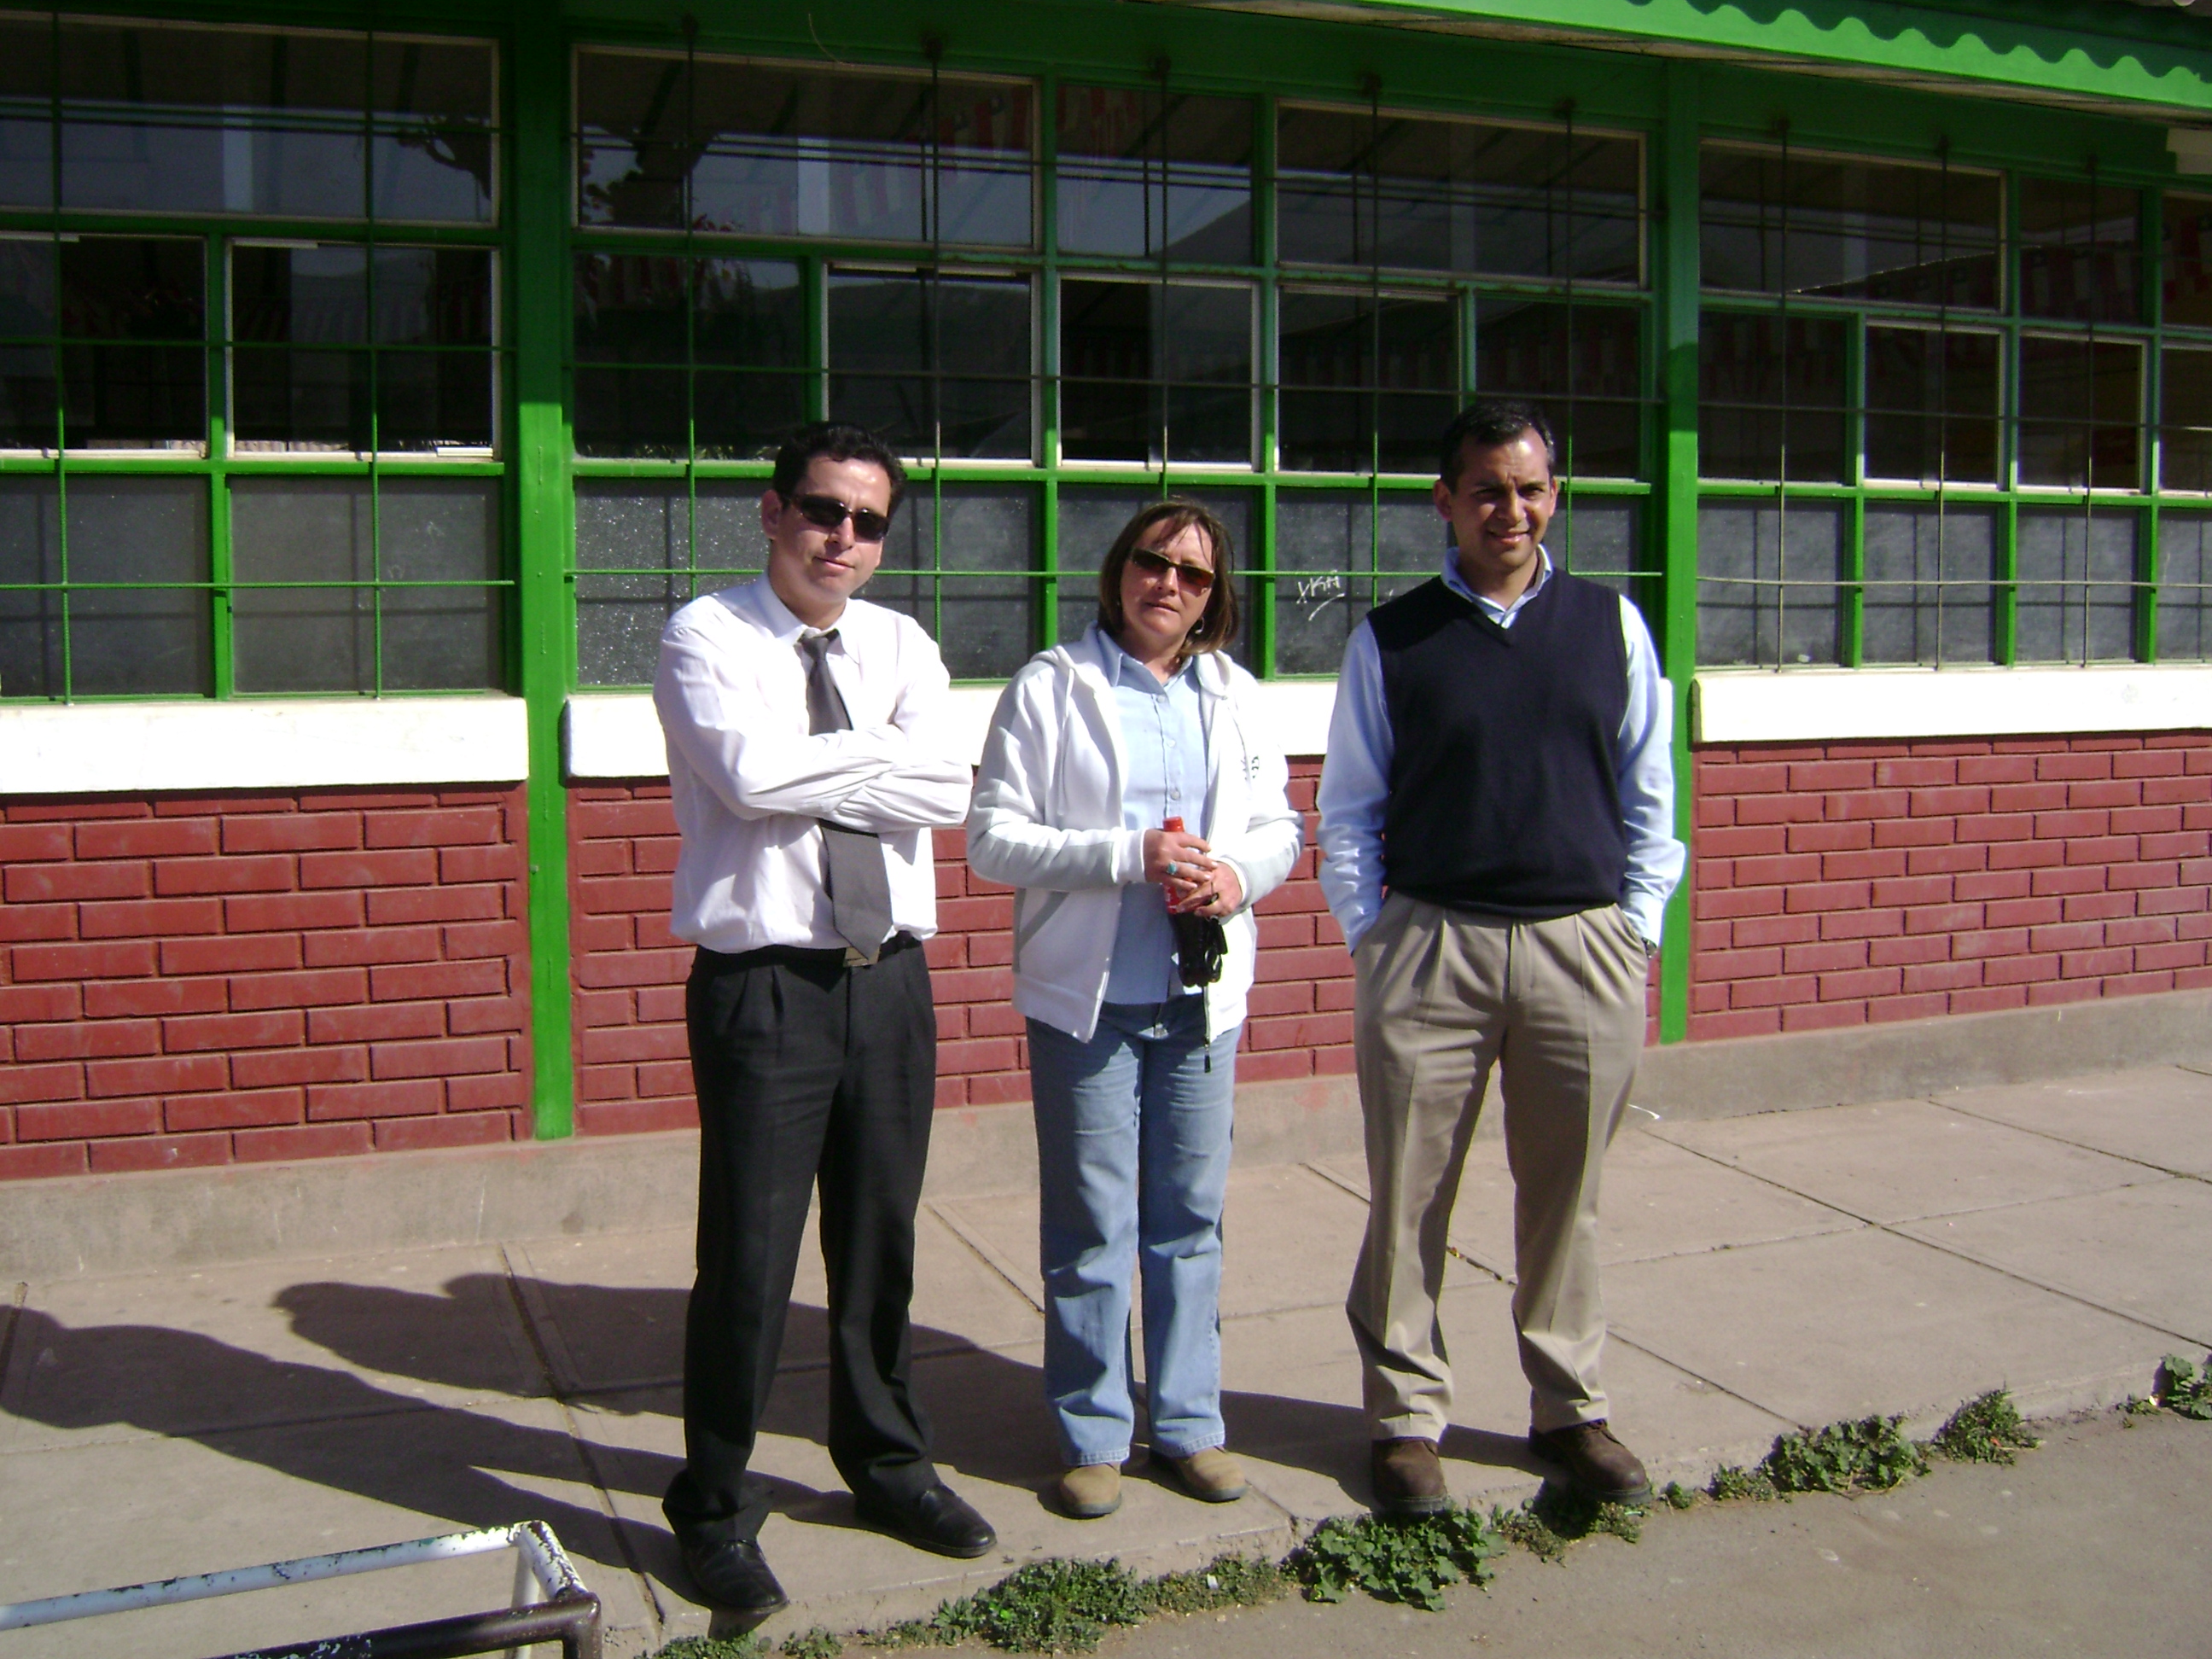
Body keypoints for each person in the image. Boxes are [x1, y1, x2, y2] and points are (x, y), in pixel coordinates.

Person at [1317, 399, 1686, 1516]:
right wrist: (1375, 938)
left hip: (1584, 948)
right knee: (1408, 1196)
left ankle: (1570, 1409)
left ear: (1554, 496)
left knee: (1567, 1196)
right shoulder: (1392, 639)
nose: (1509, 510)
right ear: (1447, 501)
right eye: (1486, 490)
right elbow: (1349, 809)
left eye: (1529, 489)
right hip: (1432, 946)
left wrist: (1635, 927)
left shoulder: (1613, 627)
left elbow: (1651, 795)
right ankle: (1403, 1420)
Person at [654, 422, 995, 1616]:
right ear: (773, 511)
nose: (842, 537)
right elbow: (748, 779)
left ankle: (888, 1465)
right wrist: (882, 756)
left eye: (868, 521)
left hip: (888, 980)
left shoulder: (904, 642)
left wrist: (828, 761)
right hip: (766, 989)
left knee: (879, 1240)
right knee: (749, 1260)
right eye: (821, 510)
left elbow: (948, 789)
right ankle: (714, 1507)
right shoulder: (706, 634)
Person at [967, 499, 1303, 1521]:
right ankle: (1094, 1433)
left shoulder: (1236, 696)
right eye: (1154, 562)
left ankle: (1191, 1424)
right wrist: (1130, 855)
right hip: (1090, 1002)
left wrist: (1236, 878)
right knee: (1091, 1223)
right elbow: (992, 841)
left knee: (1189, 1221)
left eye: (1194, 575)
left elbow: (1280, 827)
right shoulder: (1051, 687)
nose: (1169, 584)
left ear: (1214, 597)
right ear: (1119, 570)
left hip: (1199, 1000)